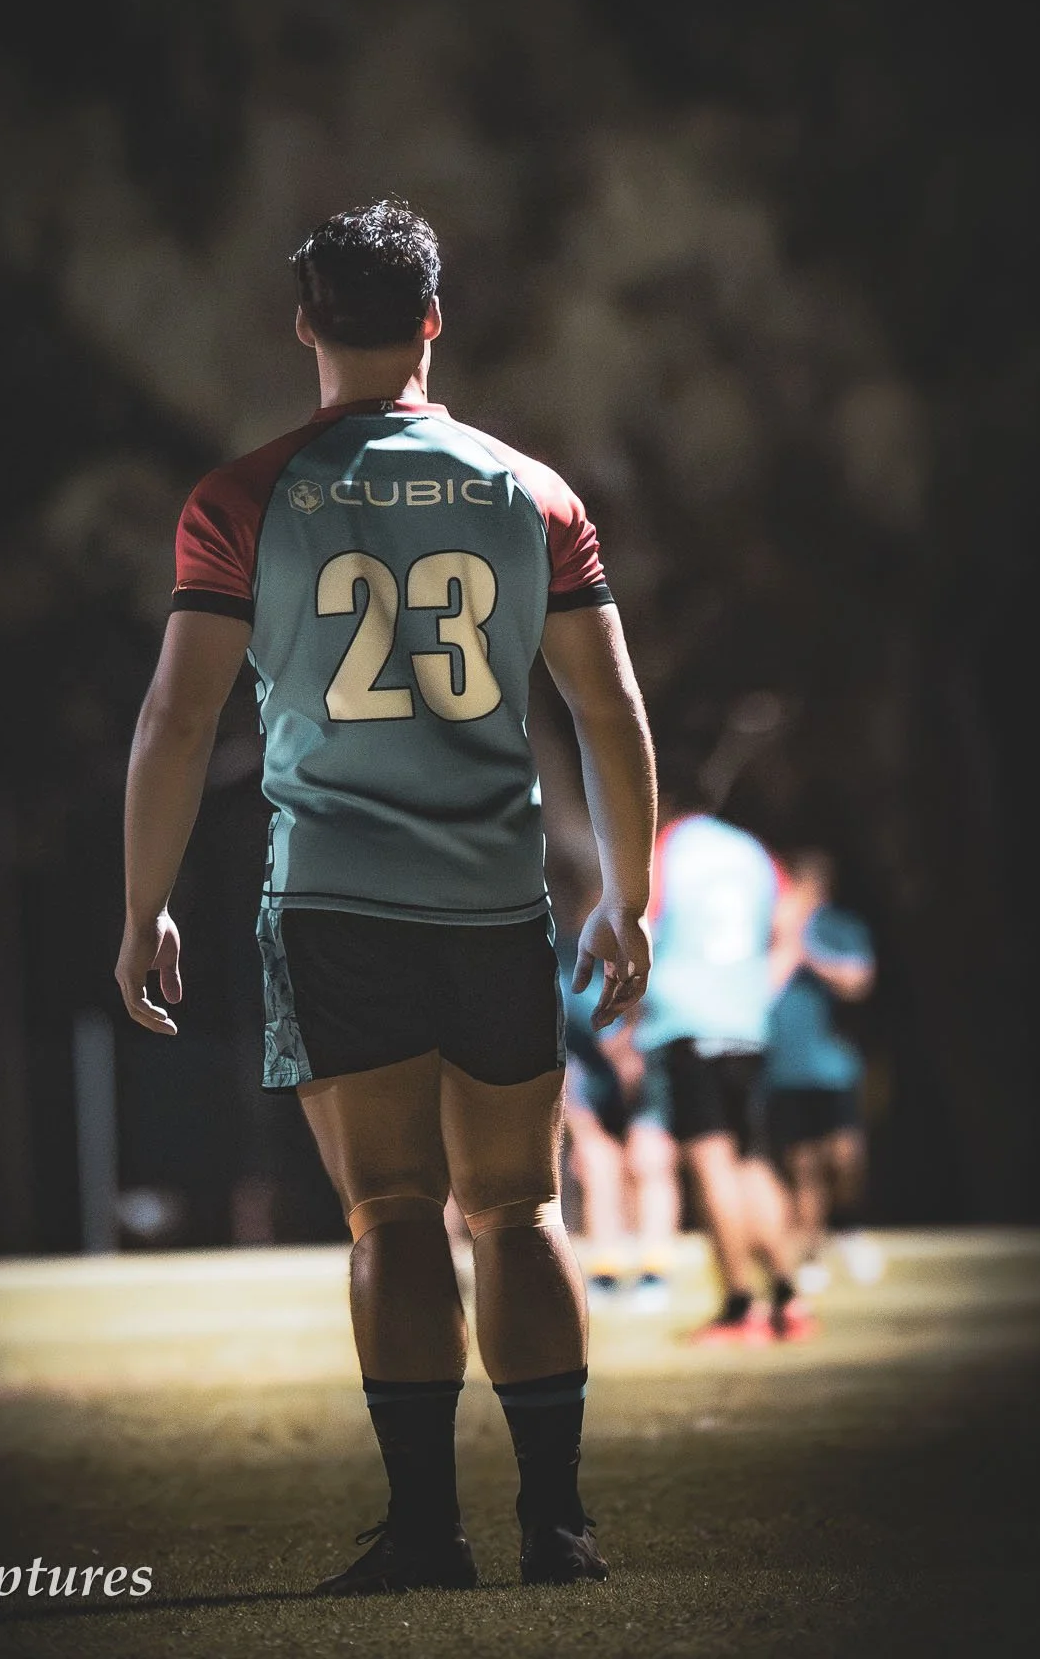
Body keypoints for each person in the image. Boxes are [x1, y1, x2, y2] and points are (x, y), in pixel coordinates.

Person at [114, 200, 657, 1593]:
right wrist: (630, 894)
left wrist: (142, 906)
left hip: (341, 903)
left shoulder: (242, 496)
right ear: (432, 318)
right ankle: (559, 1524)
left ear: (304, 324)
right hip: (490, 901)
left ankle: (426, 1534)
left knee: (395, 1214)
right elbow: (610, 712)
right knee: (520, 1209)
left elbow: (179, 724)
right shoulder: (531, 490)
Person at [632, 787, 813, 1344]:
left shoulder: (667, 847)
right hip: (745, 1023)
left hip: (689, 1021)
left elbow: (637, 921)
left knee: (711, 1161)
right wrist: (758, 990)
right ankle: (789, 1298)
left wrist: (635, 1005)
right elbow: (793, 922)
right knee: (753, 1160)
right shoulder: (753, 853)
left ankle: (740, 1307)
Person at [765, 848, 880, 1291]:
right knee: (801, 1163)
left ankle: (849, 1229)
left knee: (845, 1156)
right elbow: (762, 990)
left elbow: (858, 981)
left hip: (833, 1067)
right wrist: (786, 945)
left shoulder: (839, 928)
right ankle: (810, 1250)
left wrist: (809, 955)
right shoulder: (770, 935)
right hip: (783, 1068)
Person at [558, 923, 679, 1306]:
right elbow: (570, 1075)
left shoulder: (658, 1020)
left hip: (649, 1086)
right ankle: (605, 1272)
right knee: (596, 1162)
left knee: (651, 1158)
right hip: (590, 1086)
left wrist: (634, 1060)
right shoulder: (573, 987)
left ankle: (654, 1273)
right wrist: (584, 1129)